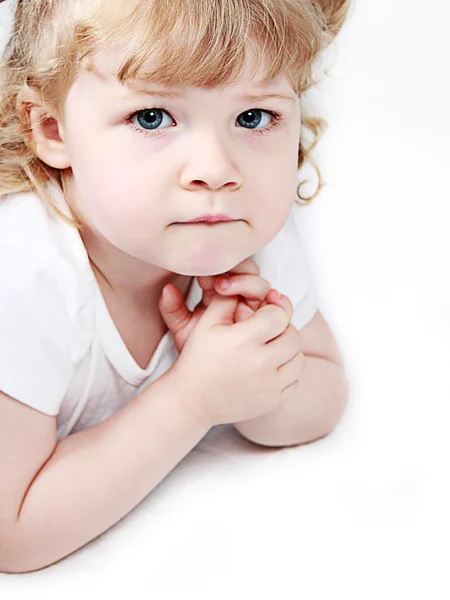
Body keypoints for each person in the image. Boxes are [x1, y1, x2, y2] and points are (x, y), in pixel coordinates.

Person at [0, 0, 351, 573]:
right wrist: (192, 401)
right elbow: (10, 534)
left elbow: (325, 391)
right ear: (51, 129)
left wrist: (250, 380)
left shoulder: (242, 229)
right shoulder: (22, 276)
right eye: (151, 118)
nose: (217, 169)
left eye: (254, 118)